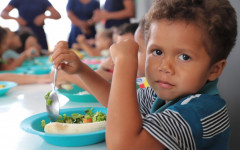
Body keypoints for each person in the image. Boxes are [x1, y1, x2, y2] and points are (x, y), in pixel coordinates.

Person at [52, 0, 237, 149]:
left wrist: (125, 63)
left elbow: (124, 146)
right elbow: (115, 100)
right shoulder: (160, 92)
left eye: (184, 56)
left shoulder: (201, 112)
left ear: (214, 69)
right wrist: (81, 70)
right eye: (157, 52)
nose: (165, 67)